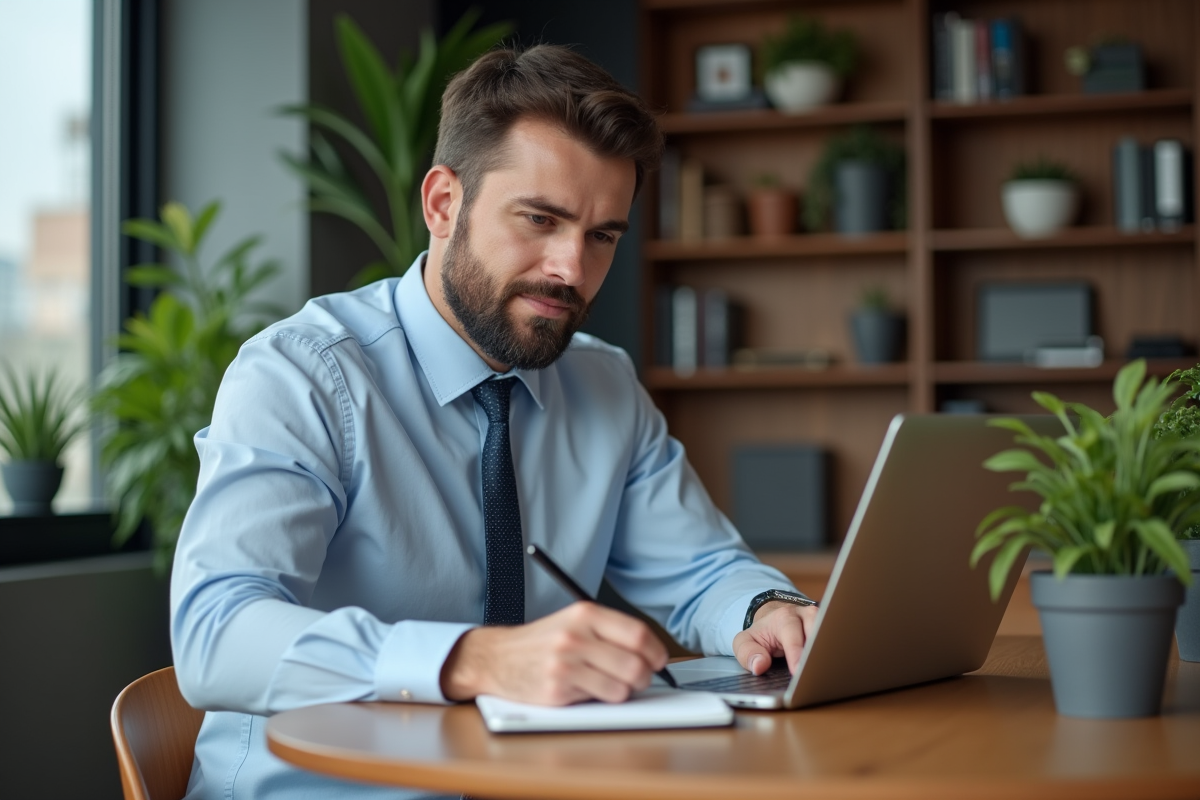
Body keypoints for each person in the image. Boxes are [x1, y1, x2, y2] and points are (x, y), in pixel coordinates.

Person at [171, 44, 817, 800]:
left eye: (603, 235)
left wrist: (767, 608)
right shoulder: (302, 374)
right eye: (540, 218)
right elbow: (216, 634)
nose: (572, 268)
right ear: (444, 203)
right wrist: (472, 660)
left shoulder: (602, 383)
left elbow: (702, 570)